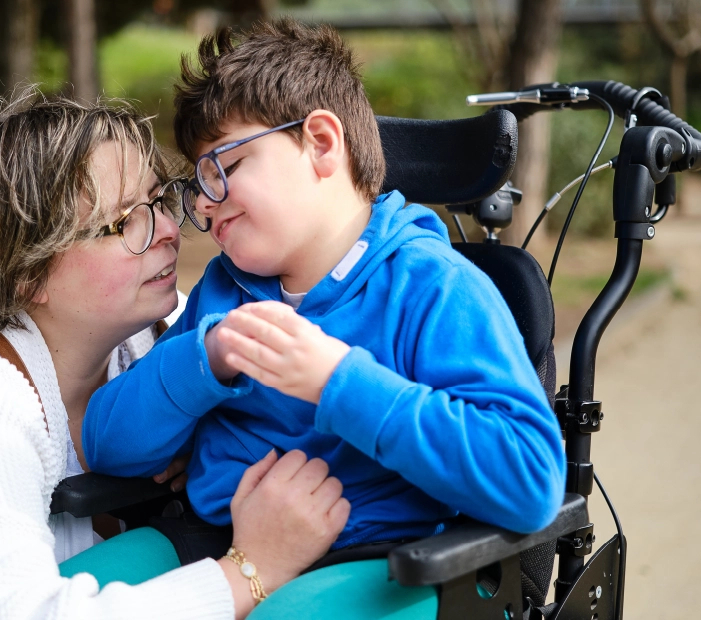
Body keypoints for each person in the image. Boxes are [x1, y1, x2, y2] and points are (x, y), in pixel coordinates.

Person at [0, 90, 350, 619]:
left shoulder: (152, 330)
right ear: (29, 272)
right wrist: (252, 569)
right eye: (122, 220)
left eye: (158, 200)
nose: (168, 232)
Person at [82, 17, 565, 574]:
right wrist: (203, 363)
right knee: (74, 592)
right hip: (214, 542)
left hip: (371, 565)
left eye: (225, 167)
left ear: (321, 143)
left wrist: (338, 380)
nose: (205, 205)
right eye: (198, 184)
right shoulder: (222, 294)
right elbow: (107, 448)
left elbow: (531, 481)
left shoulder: (432, 289)